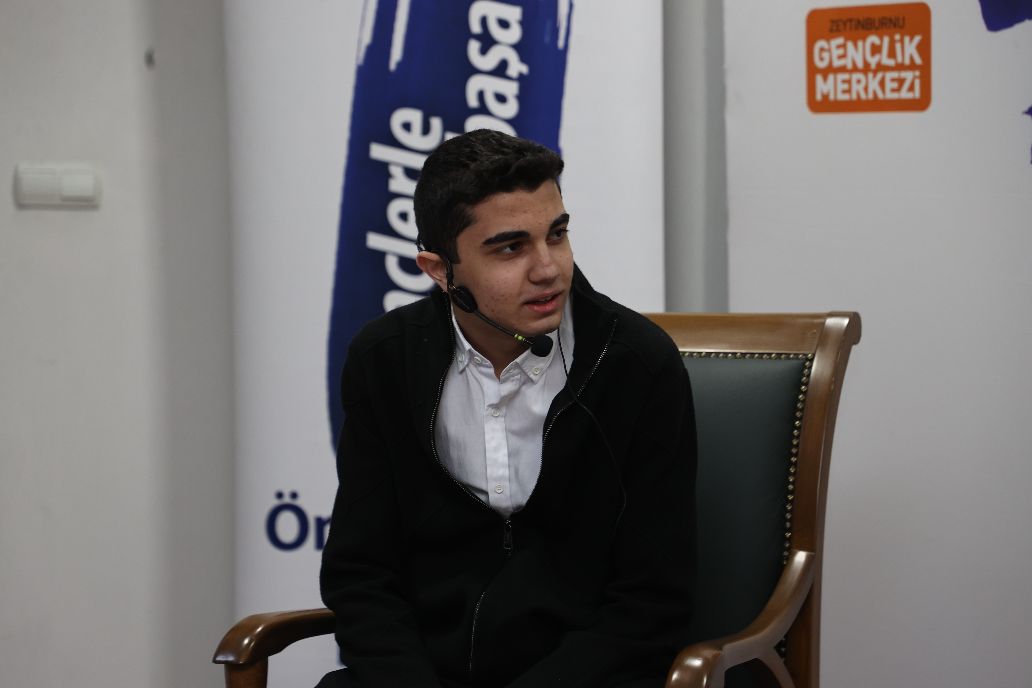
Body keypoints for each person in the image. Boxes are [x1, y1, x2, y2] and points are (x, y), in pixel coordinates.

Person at [319, 129, 697, 688]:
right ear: (439, 270)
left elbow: (653, 602)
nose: (549, 269)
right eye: (510, 248)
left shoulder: (635, 364)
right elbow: (362, 574)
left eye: (557, 235)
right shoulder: (385, 359)